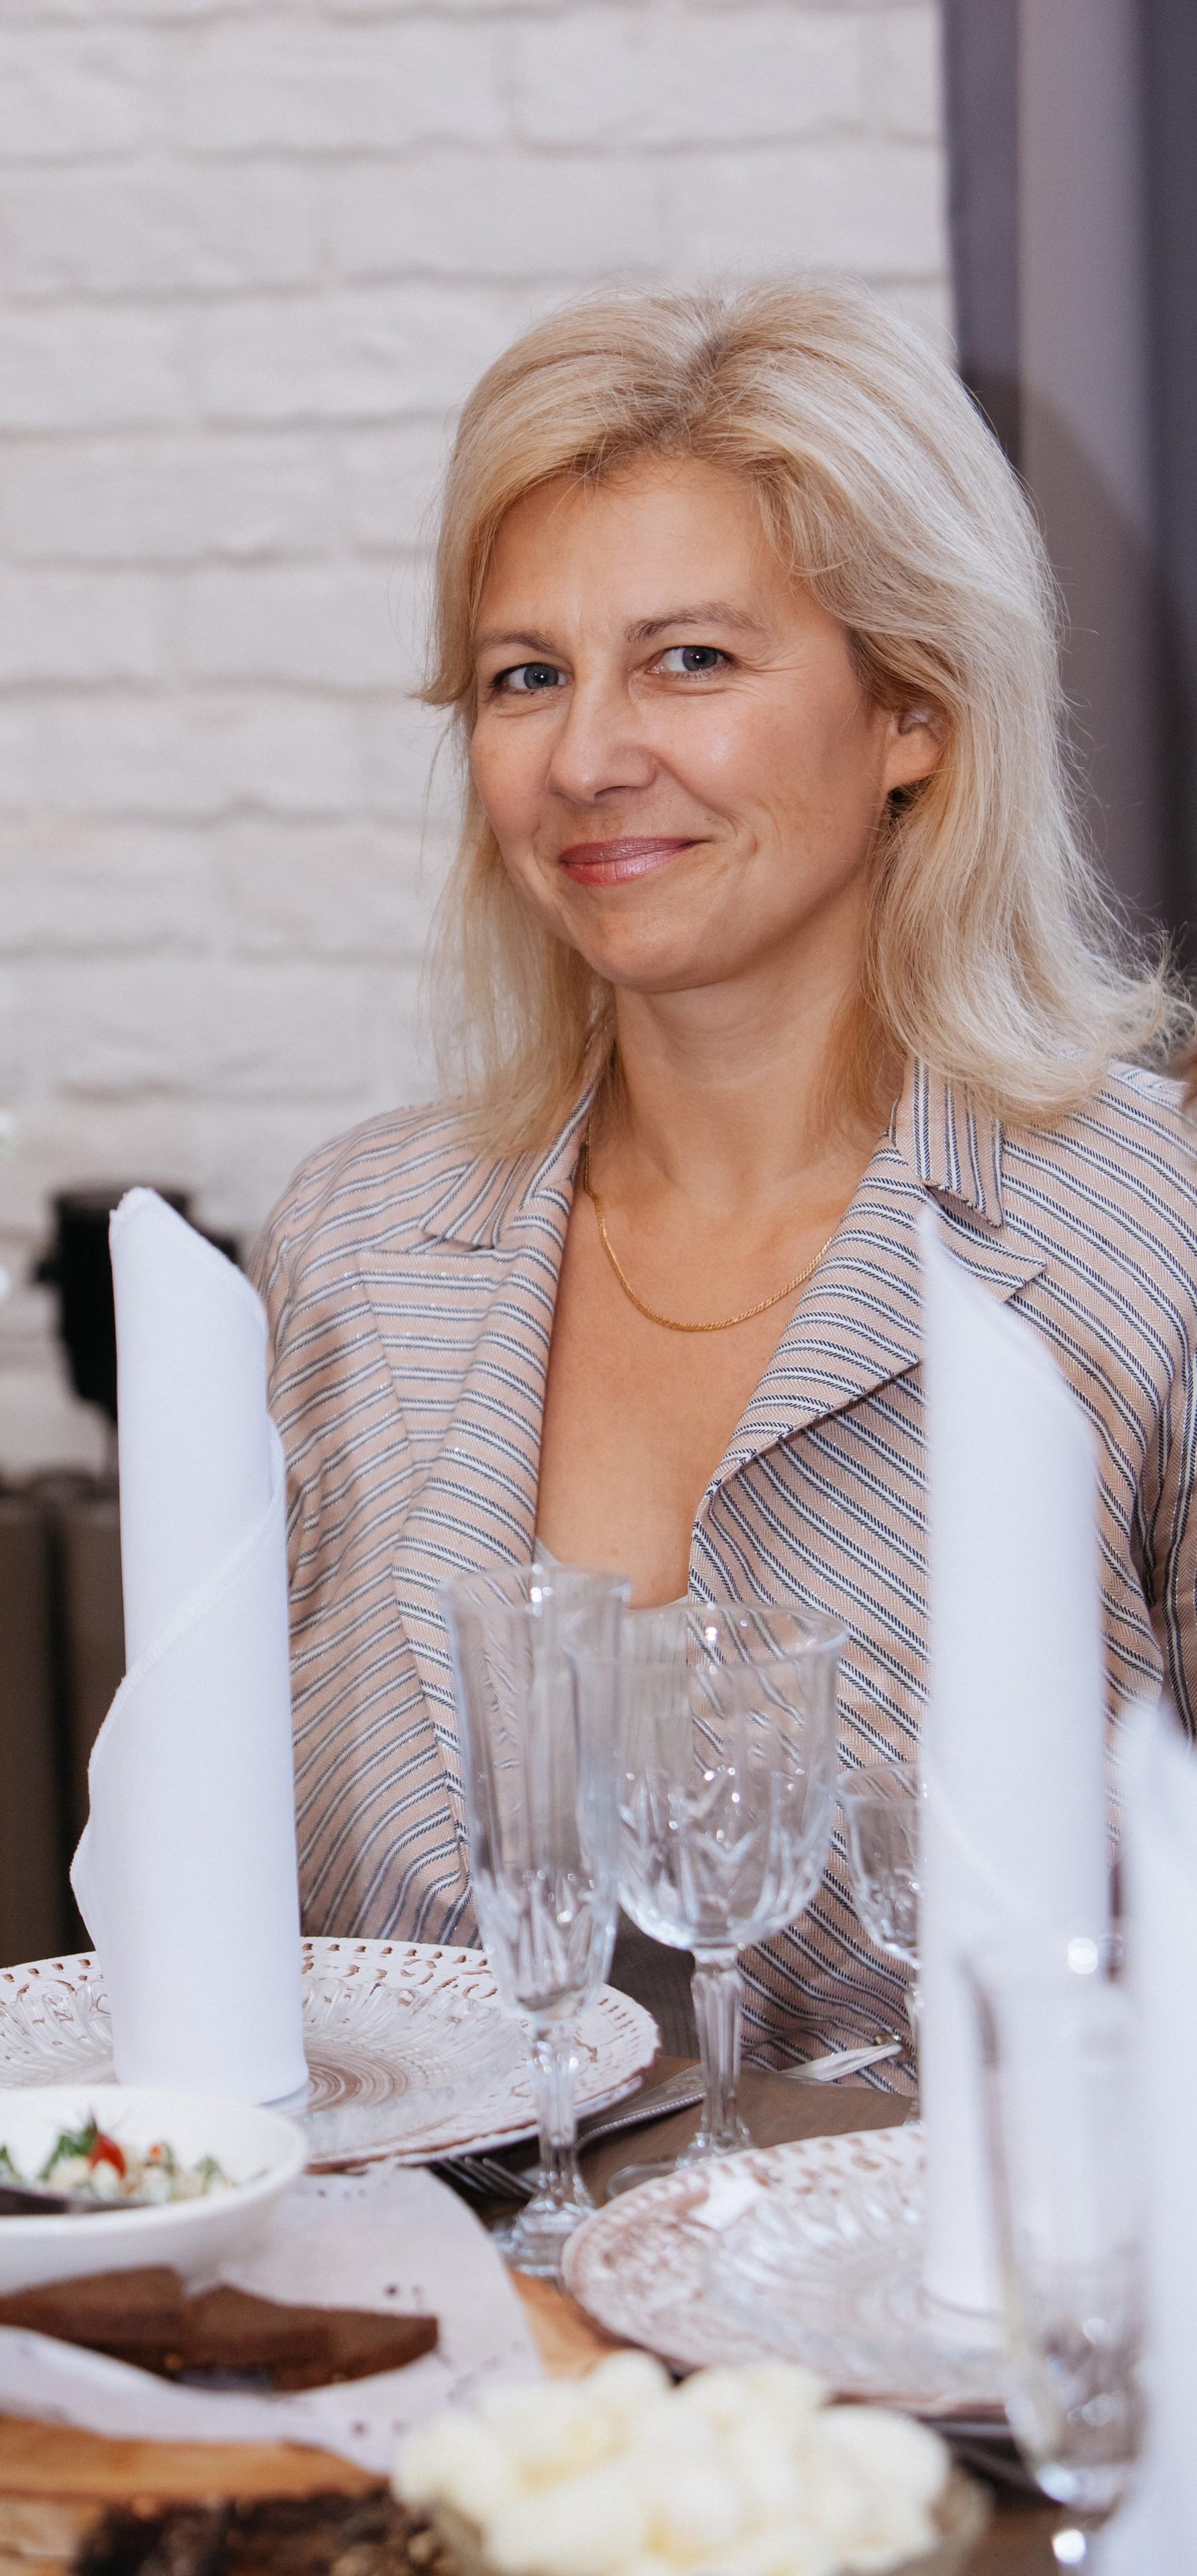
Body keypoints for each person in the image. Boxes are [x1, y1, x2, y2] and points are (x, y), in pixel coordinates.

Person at [251, 277, 1197, 2071]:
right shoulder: (353, 1248)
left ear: (911, 709)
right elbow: (263, 1934)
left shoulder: (1154, 1234)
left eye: (692, 659)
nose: (591, 759)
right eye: (528, 677)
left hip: (970, 2327)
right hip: (456, 2313)